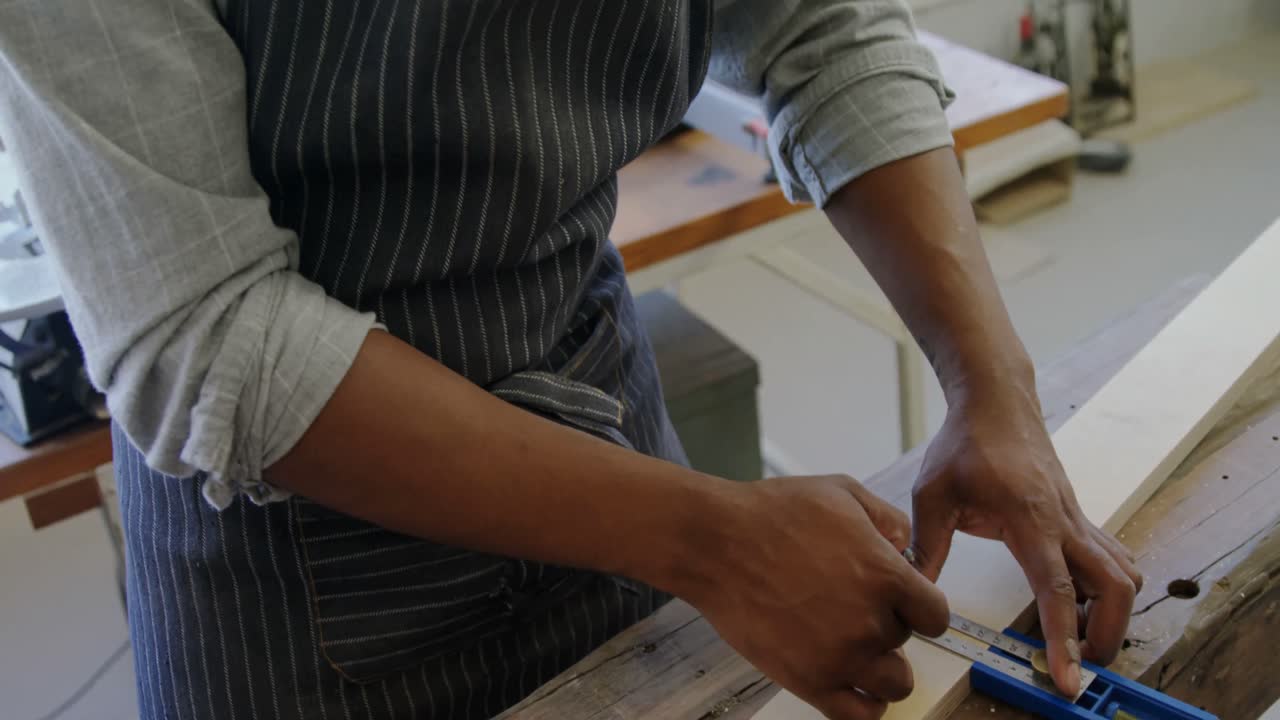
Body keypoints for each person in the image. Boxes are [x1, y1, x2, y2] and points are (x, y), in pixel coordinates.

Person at [0, 1, 1141, 719]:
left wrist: (991, 389)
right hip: (305, 600)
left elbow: (814, 27)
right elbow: (206, 332)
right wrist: (708, 537)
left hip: (599, 408)